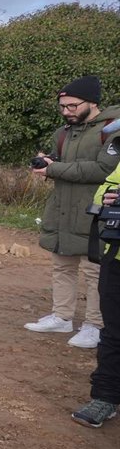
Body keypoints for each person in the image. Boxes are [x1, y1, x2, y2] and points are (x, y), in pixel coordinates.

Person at [25, 76, 120, 349]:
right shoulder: (63, 132)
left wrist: (54, 168)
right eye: (62, 106)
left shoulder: (111, 130)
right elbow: (62, 162)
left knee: (94, 271)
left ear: (92, 102)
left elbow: (103, 169)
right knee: (62, 265)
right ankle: (62, 316)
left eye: (72, 106)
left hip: (96, 212)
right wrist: (48, 162)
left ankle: (94, 325)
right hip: (63, 209)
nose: (66, 111)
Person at [72, 113, 120, 428]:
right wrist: (109, 200)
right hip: (116, 258)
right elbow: (102, 195)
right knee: (113, 333)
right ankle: (105, 397)